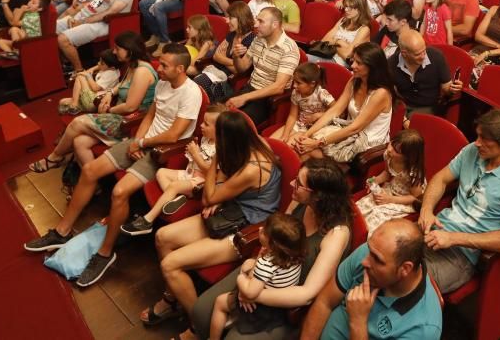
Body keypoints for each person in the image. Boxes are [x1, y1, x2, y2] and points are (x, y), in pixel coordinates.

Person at [23, 44, 202, 287]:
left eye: (165, 65)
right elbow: (150, 115)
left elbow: (174, 135)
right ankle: (61, 232)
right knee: (90, 170)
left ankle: (105, 254)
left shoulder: (191, 93)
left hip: (161, 153)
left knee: (119, 192)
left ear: (180, 68)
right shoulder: (163, 82)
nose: (159, 68)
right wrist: (136, 140)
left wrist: (143, 142)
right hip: (142, 141)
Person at [183, 159, 353, 337]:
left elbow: (306, 294)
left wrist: (252, 294)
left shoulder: (337, 234)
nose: (291, 184)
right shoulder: (302, 202)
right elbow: (277, 235)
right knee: (201, 312)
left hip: (285, 299)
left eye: (299, 184)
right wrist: (252, 272)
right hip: (266, 272)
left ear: (318, 196)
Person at [151, 110, 281, 331]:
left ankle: (197, 325)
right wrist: (218, 195)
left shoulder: (252, 167)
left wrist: (216, 161)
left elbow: (208, 195)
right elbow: (218, 188)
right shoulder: (250, 143)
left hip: (247, 229)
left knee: (170, 264)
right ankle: (174, 301)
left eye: (217, 136)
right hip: (232, 209)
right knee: (162, 237)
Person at [417, 109, 500, 294]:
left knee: (407, 280)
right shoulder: (472, 151)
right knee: (383, 252)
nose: (477, 143)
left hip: (461, 255)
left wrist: (453, 238)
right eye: (477, 136)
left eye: (484, 139)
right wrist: (426, 209)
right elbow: (441, 179)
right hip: (434, 232)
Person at [301, 218, 442, 340]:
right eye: (370, 249)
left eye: (377, 259)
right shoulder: (371, 253)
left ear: (405, 269)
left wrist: (358, 322)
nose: (365, 262)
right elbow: (325, 302)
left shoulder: (423, 329)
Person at [122, 103, 222, 235]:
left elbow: (211, 173)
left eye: (206, 124)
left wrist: (196, 155)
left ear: (220, 129)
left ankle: (147, 221)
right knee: (161, 173)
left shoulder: (221, 149)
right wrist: (192, 153)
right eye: (203, 122)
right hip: (189, 173)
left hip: (200, 183)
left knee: (174, 186)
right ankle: (176, 198)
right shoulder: (206, 139)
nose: (201, 126)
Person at [210, 211, 306, 338]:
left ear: (273, 245)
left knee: (220, 302)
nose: (260, 228)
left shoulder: (266, 264)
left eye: (264, 232)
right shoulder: (295, 257)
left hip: (261, 309)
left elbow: (250, 293)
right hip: (280, 306)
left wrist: (241, 277)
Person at [295, 43, 394, 163]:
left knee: (306, 150)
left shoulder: (381, 93)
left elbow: (356, 128)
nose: (352, 66)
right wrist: (308, 133)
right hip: (349, 132)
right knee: (301, 142)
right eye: (353, 61)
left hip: (367, 144)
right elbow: (335, 110)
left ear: (372, 67)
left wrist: (316, 143)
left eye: (359, 63)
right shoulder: (355, 80)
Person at [227, 6, 300, 126]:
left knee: (233, 124)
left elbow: (278, 87)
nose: (256, 25)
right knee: (215, 110)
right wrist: (235, 56)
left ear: (275, 25)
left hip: (267, 99)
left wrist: (245, 98)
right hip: (249, 89)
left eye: (261, 21)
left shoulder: (289, 48)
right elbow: (242, 68)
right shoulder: (258, 39)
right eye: (257, 20)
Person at [356, 130, 426, 232]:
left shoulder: (413, 172)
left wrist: (390, 199)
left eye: (396, 151)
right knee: (362, 206)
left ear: (408, 156)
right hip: (391, 189)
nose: (389, 149)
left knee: (377, 215)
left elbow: (415, 197)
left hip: (405, 200)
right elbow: (387, 173)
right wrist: (375, 180)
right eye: (391, 144)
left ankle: (365, 240)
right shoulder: (389, 155)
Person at [388, 30, 462, 116]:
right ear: (404, 54)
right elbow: (390, 92)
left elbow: (446, 88)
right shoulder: (391, 63)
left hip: (429, 106)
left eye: (424, 50)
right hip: (403, 105)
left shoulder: (436, 56)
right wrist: (403, 118)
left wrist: (452, 89)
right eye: (418, 54)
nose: (423, 56)